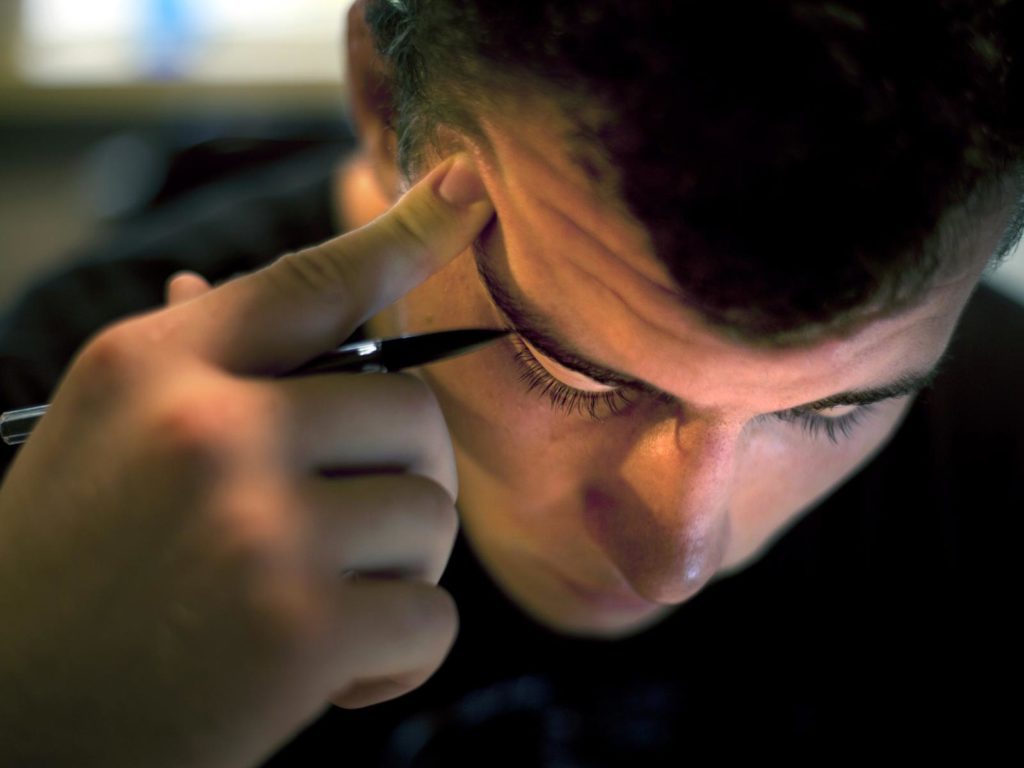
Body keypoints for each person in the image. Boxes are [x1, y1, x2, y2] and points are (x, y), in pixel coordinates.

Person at [1, 0, 1022, 763]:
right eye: (568, 368)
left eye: (833, 408)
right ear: (381, 96)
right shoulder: (56, 465)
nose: (676, 561)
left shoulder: (998, 436)